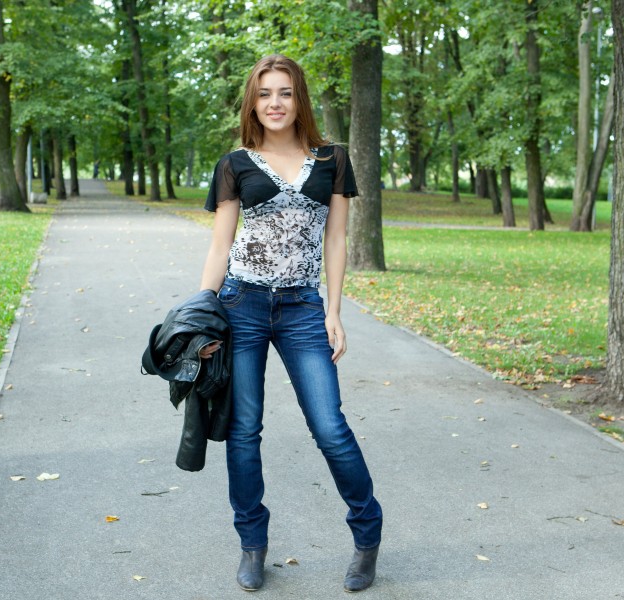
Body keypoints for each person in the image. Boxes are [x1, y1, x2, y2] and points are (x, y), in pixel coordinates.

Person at [198, 54, 383, 593]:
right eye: (264, 94)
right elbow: (219, 247)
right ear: (252, 103)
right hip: (241, 305)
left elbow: (337, 239)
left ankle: (367, 535)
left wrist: (334, 312)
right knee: (244, 431)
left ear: (299, 98)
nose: (274, 103)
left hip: (303, 307)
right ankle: (252, 544)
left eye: (284, 92)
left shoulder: (332, 159)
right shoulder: (235, 163)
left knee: (330, 428)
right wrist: (203, 316)